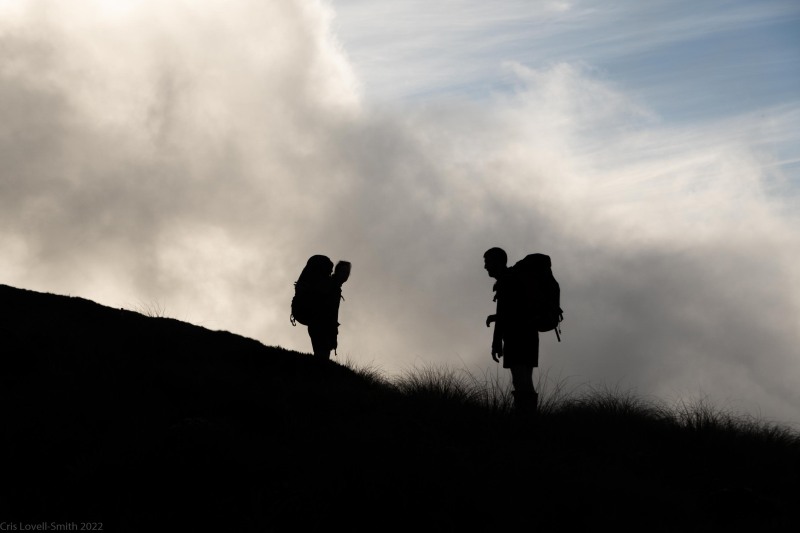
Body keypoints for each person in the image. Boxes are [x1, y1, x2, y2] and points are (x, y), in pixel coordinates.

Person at [484, 247, 539, 416]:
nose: (485, 267)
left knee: (520, 380)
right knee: (524, 379)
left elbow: (505, 315)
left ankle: (525, 418)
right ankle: (527, 416)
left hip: (517, 338)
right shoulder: (514, 279)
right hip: (528, 335)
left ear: (498, 262)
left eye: (488, 263)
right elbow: (511, 311)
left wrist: (496, 344)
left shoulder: (507, 281)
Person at [294, 255, 351, 361]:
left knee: (322, 357)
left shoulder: (335, 287)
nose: (345, 275)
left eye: (347, 273)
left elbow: (332, 313)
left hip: (322, 326)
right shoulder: (329, 284)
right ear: (336, 271)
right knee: (321, 358)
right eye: (343, 271)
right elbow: (326, 308)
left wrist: (333, 334)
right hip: (319, 325)